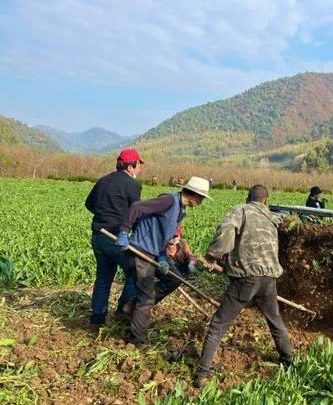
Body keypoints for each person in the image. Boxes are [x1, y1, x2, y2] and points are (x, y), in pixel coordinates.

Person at [194, 184, 293, 387]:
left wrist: (212, 255)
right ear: (266, 200)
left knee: (218, 325)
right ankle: (290, 363)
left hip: (246, 279)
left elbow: (225, 231)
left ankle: (202, 374)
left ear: (248, 198)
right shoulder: (273, 217)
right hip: (269, 279)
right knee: (275, 322)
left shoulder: (240, 210)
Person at [117, 176, 210, 344]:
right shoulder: (168, 201)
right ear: (195, 195)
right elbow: (137, 207)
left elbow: (162, 235)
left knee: (174, 278)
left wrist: (161, 256)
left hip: (154, 252)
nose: (202, 201)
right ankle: (136, 340)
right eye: (202, 197)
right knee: (146, 299)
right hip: (140, 251)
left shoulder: (180, 211)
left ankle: (132, 306)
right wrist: (124, 231)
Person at [84, 148, 143, 329]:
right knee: (135, 273)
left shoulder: (103, 181)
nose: (140, 169)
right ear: (131, 166)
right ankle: (123, 311)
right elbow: (135, 212)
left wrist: (104, 216)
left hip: (98, 235)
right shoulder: (133, 186)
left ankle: (97, 319)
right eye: (138, 165)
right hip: (116, 237)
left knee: (103, 277)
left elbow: (89, 204)